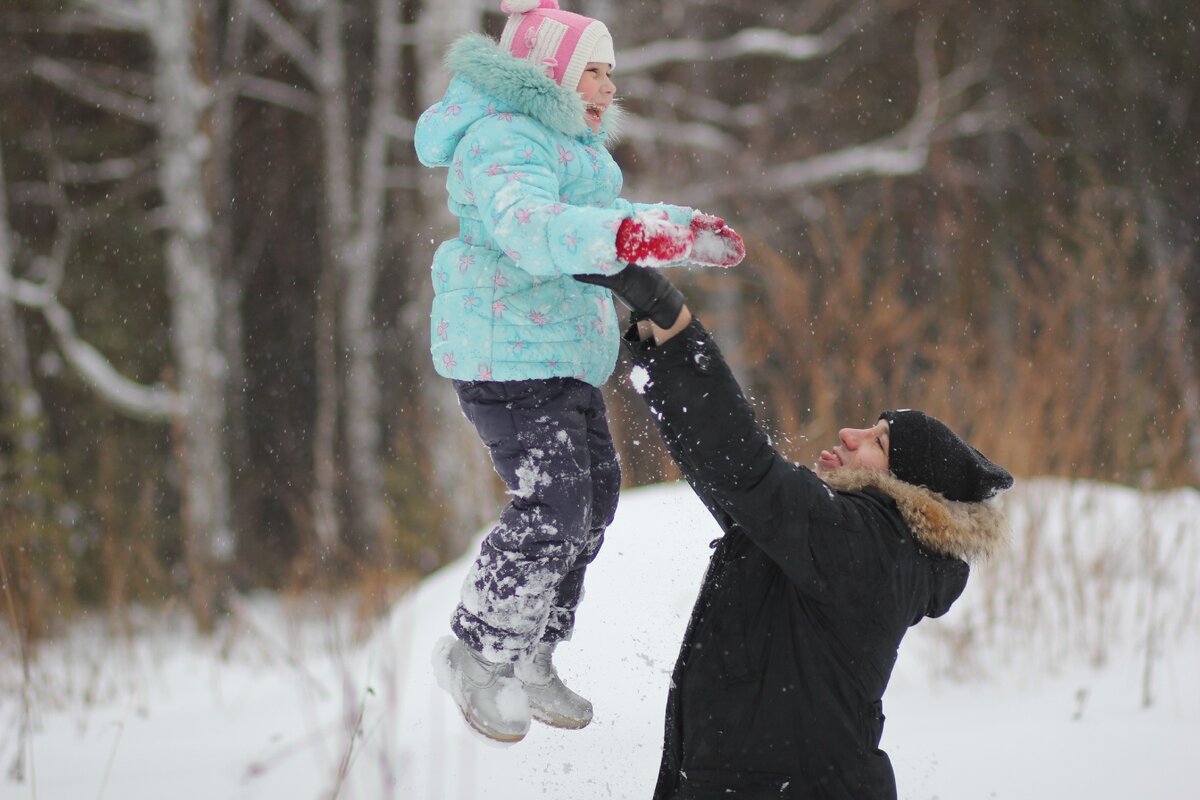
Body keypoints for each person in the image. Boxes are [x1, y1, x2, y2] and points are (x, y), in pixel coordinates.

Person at [414, 0, 746, 744]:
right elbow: (530, 227)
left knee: (593, 505)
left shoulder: (573, 150)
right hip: (505, 354)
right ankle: (478, 650)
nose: (607, 88)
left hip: (562, 356)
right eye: (593, 71)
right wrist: (623, 235)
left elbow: (605, 215)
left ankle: (533, 649)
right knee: (553, 503)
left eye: (611, 74)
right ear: (549, 74)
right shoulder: (502, 140)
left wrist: (673, 231)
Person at [575, 265, 1013, 798]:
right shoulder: (852, 544)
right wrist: (656, 336)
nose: (850, 435)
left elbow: (748, 468)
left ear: (906, 487)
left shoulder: (871, 548)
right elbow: (723, 470)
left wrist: (676, 321)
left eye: (877, 443)